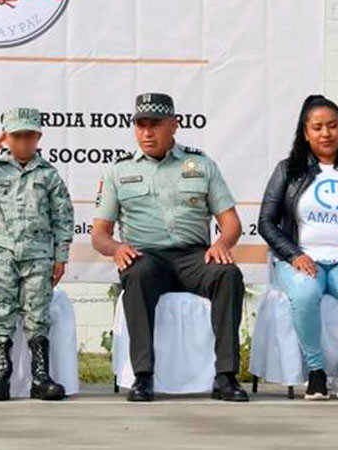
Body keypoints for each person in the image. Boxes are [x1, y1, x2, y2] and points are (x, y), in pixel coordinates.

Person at [91, 93, 248, 402]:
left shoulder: (201, 165)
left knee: (228, 274)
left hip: (194, 256)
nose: (147, 133)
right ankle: (143, 377)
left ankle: (226, 377)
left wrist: (222, 243)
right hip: (146, 256)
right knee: (135, 273)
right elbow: (99, 234)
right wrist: (116, 248)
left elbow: (232, 223)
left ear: (174, 125)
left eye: (155, 125)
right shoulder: (117, 171)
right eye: (141, 125)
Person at [259, 95, 338, 400]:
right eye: (317, 127)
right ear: (305, 133)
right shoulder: (288, 171)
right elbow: (266, 222)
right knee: (304, 294)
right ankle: (315, 372)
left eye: (332, 126)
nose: (326, 133)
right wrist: (294, 255)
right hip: (305, 262)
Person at [0, 107, 74, 401]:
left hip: (38, 256)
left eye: (29, 136)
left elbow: (63, 216)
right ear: (7, 137)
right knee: (2, 314)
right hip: (3, 255)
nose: (23, 142)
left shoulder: (48, 174)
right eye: (16, 136)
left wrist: (61, 257)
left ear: (38, 138)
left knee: (37, 314)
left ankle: (41, 377)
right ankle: (1, 376)